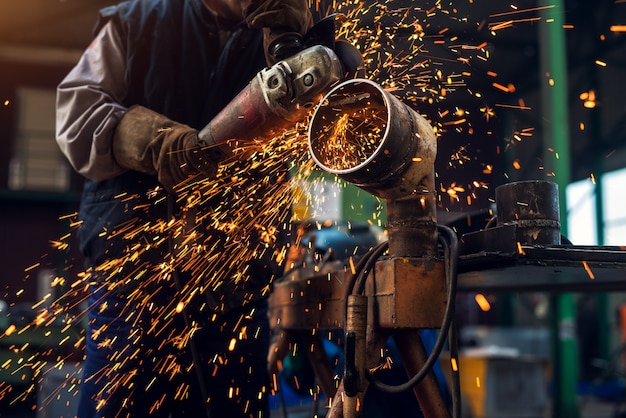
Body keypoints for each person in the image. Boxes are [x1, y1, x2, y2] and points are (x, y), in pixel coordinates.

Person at [55, 0, 313, 416]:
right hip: (135, 279)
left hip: (236, 284)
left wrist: (310, 49)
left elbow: (339, 120)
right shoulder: (137, 21)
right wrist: (158, 145)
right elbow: (78, 116)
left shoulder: (291, 29)